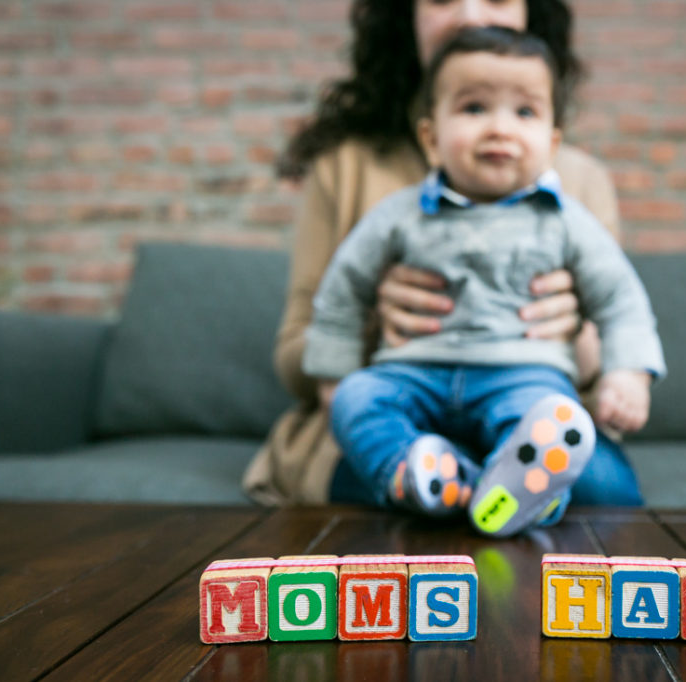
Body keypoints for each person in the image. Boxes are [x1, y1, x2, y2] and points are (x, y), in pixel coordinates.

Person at [243, 0, 651, 512]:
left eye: (523, 111)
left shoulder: (576, 193)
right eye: (473, 107)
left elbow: (620, 302)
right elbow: (319, 324)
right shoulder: (363, 184)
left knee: (603, 486)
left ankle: (486, 486)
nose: (470, 14)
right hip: (409, 389)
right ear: (430, 139)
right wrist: (373, 323)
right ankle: (454, 480)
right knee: (356, 408)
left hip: (523, 394)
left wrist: (604, 356)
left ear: (551, 137)